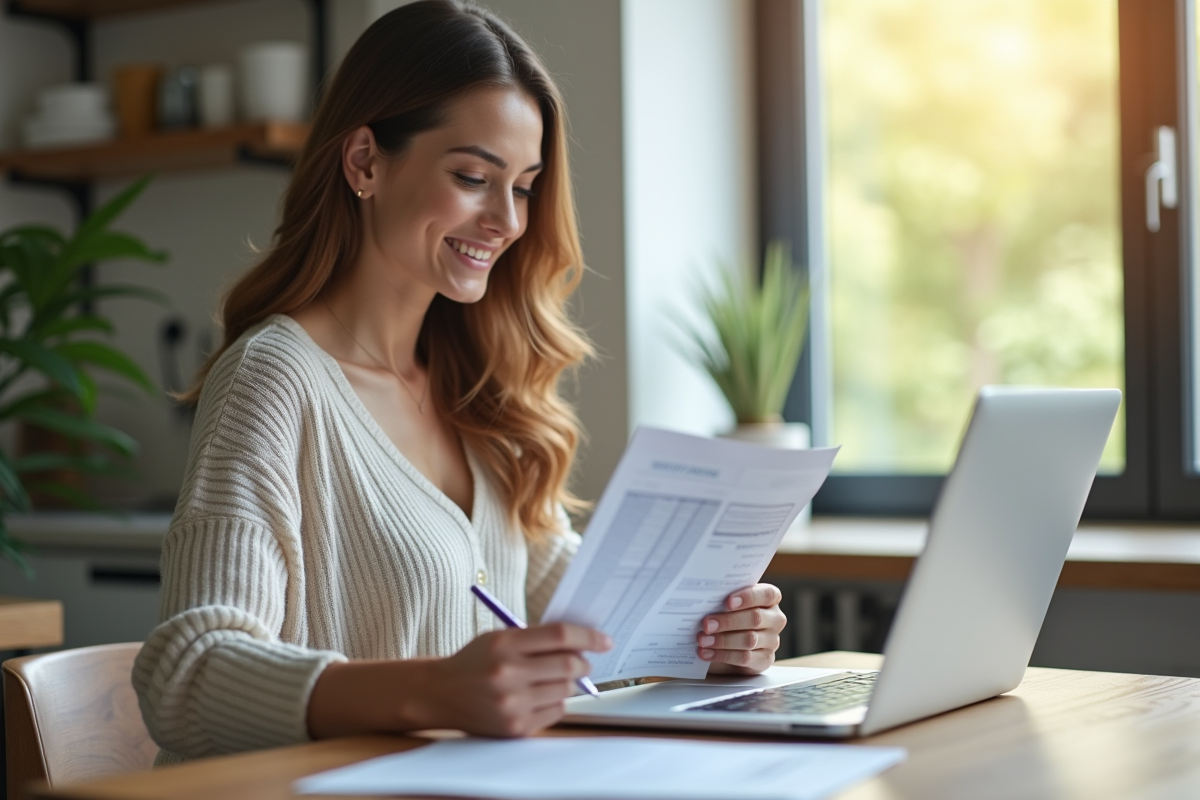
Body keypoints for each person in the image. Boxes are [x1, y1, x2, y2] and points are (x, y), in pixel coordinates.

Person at [132, 0, 788, 763]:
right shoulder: (275, 380)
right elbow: (187, 674)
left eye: (524, 186)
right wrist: (434, 690)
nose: (507, 221)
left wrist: (706, 633)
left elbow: (570, 608)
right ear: (365, 163)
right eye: (474, 176)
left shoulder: (474, 387)